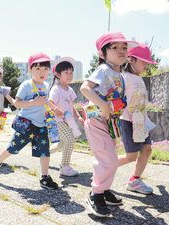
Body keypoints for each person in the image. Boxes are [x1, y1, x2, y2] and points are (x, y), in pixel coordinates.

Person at [80, 31, 138, 217]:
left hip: (110, 122)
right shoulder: (103, 70)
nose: (121, 51)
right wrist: (103, 105)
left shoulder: (119, 74)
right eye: (115, 47)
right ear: (102, 54)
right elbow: (84, 88)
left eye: (124, 48)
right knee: (109, 160)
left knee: (107, 158)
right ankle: (95, 194)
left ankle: (102, 190)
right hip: (97, 121)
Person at [0, 52, 63, 190]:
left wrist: (55, 109)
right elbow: (17, 103)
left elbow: (46, 102)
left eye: (46, 69)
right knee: (13, 148)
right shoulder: (26, 85)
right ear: (30, 70)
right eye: (38, 69)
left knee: (44, 151)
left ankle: (45, 177)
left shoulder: (46, 86)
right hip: (26, 125)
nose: (43, 72)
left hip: (41, 125)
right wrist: (33, 102)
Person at [118, 42, 158, 195]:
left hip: (141, 122)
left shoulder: (140, 79)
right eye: (144, 61)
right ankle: (103, 167)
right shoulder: (124, 78)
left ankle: (135, 180)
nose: (147, 65)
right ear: (131, 59)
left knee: (147, 150)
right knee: (131, 156)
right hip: (128, 121)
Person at [48, 57, 84, 176]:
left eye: (71, 72)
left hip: (68, 121)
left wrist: (78, 117)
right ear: (58, 75)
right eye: (66, 73)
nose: (69, 75)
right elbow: (49, 102)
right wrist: (55, 108)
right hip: (58, 120)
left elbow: (71, 105)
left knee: (62, 143)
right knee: (70, 140)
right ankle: (64, 167)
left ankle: (45, 153)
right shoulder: (56, 89)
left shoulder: (70, 89)